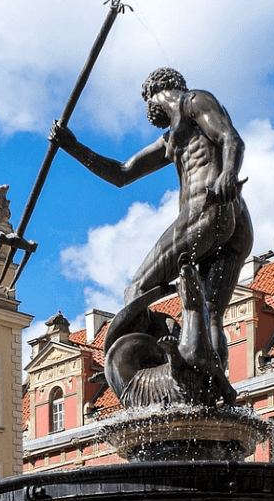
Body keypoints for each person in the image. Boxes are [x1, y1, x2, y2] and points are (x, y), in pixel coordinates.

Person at [50, 68, 253, 387]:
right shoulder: (172, 138)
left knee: (136, 290)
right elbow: (122, 173)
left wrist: (228, 173)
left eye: (147, 101)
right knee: (208, 312)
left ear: (154, 94)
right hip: (235, 220)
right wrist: (72, 147)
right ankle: (214, 391)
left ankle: (153, 368)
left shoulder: (194, 102)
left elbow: (230, 138)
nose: (148, 110)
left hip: (208, 206)